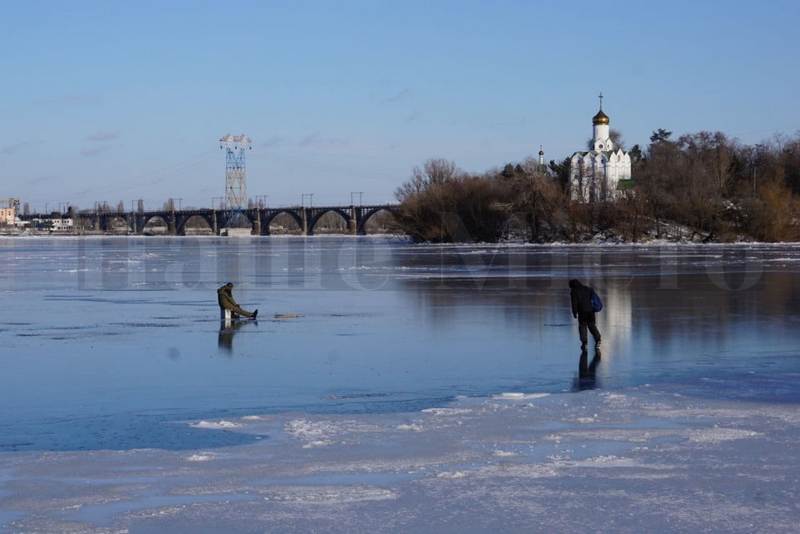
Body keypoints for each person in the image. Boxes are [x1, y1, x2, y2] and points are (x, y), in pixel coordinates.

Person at [569, 279, 601, 349]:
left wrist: (574, 312)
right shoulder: (588, 289)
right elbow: (594, 298)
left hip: (582, 312)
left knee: (582, 327)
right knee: (592, 326)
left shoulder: (574, 291)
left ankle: (584, 343)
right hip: (591, 311)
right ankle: (598, 339)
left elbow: (574, 303)